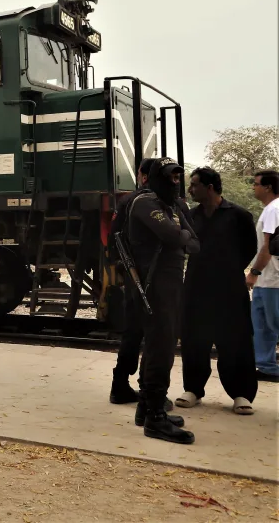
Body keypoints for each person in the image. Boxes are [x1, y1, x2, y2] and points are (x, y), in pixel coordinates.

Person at [126, 157, 199, 444]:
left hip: (168, 284)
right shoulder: (145, 203)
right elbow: (172, 235)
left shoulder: (171, 205)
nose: (175, 180)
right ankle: (155, 416)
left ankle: (147, 409)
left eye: (178, 175)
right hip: (152, 284)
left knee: (163, 344)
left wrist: (179, 235)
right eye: (170, 175)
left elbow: (194, 242)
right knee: (161, 346)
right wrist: (179, 234)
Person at [177, 167, 258, 414]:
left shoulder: (239, 215)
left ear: (209, 187)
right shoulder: (190, 216)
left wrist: (230, 270)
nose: (190, 190)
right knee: (194, 339)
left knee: (235, 340)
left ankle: (241, 394)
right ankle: (193, 389)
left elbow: (249, 249)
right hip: (196, 287)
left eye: (194, 185)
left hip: (229, 289)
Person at [110, 158, 176, 411]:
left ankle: (120, 384)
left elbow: (113, 237)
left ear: (143, 175)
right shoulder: (162, 202)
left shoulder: (130, 200)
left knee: (134, 331)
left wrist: (120, 266)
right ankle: (150, 392)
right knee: (156, 335)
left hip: (135, 275)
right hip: (157, 278)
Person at [249, 169, 279, 383]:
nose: (253, 187)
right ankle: (267, 367)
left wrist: (253, 273)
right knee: (261, 327)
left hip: (273, 279)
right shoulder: (269, 209)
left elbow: (267, 248)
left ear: (268, 187)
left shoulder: (274, 210)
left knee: (274, 323)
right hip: (265, 281)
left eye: (256, 183)